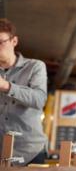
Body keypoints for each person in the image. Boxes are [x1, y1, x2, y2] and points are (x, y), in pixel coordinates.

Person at [0, 19, 48, 166]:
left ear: (14, 41)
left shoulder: (35, 67)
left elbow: (39, 100)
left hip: (30, 151)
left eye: (0, 42)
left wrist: (6, 86)